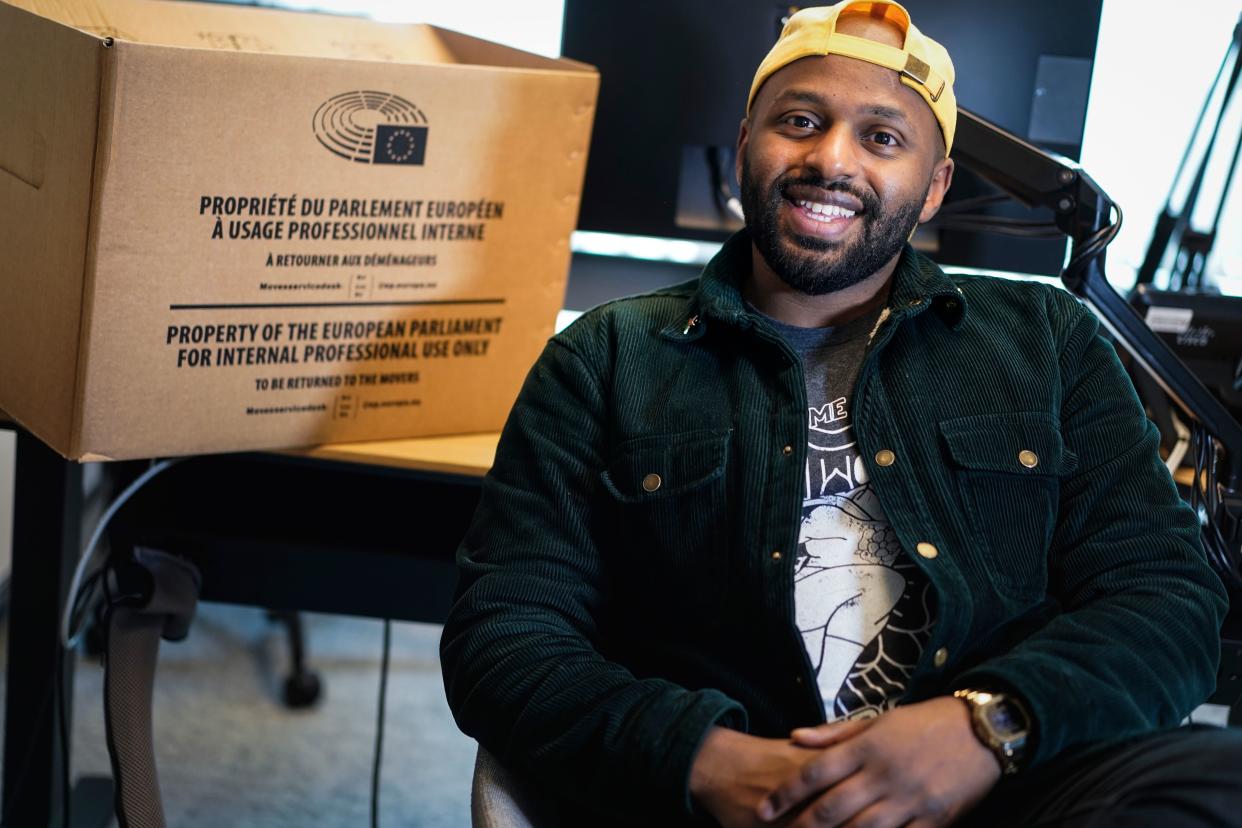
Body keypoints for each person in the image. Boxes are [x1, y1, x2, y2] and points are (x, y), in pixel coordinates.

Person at [440, 2, 1242, 825]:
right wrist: (708, 761)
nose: (830, 159)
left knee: (1223, 779)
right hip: (728, 804)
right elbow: (504, 636)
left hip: (1007, 789)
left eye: (882, 138)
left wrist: (986, 726)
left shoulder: (1049, 341)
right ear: (745, 141)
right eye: (799, 121)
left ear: (934, 189)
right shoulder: (608, 358)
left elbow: (1166, 598)